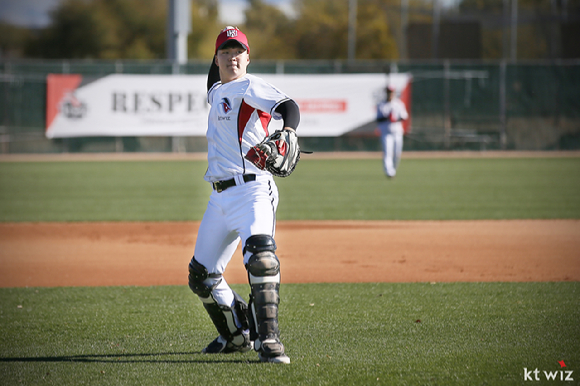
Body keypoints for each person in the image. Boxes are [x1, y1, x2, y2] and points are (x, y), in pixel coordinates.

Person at [187, 26, 300, 364]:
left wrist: (289, 130)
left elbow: (288, 106)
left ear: (247, 57)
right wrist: (216, 63)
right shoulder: (217, 91)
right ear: (217, 58)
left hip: (253, 190)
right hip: (219, 198)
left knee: (261, 257)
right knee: (201, 277)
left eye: (238, 51)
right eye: (225, 51)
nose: (232, 56)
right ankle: (237, 334)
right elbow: (213, 83)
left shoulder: (251, 85)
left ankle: (269, 341)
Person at [376, 85, 408, 178]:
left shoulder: (398, 104)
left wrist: (395, 119)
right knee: (387, 152)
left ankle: (393, 169)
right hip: (386, 132)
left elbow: (404, 116)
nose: (389, 94)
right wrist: (387, 117)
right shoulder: (381, 105)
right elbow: (378, 119)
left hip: (397, 132)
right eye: (388, 92)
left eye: (391, 92)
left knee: (397, 153)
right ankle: (389, 171)